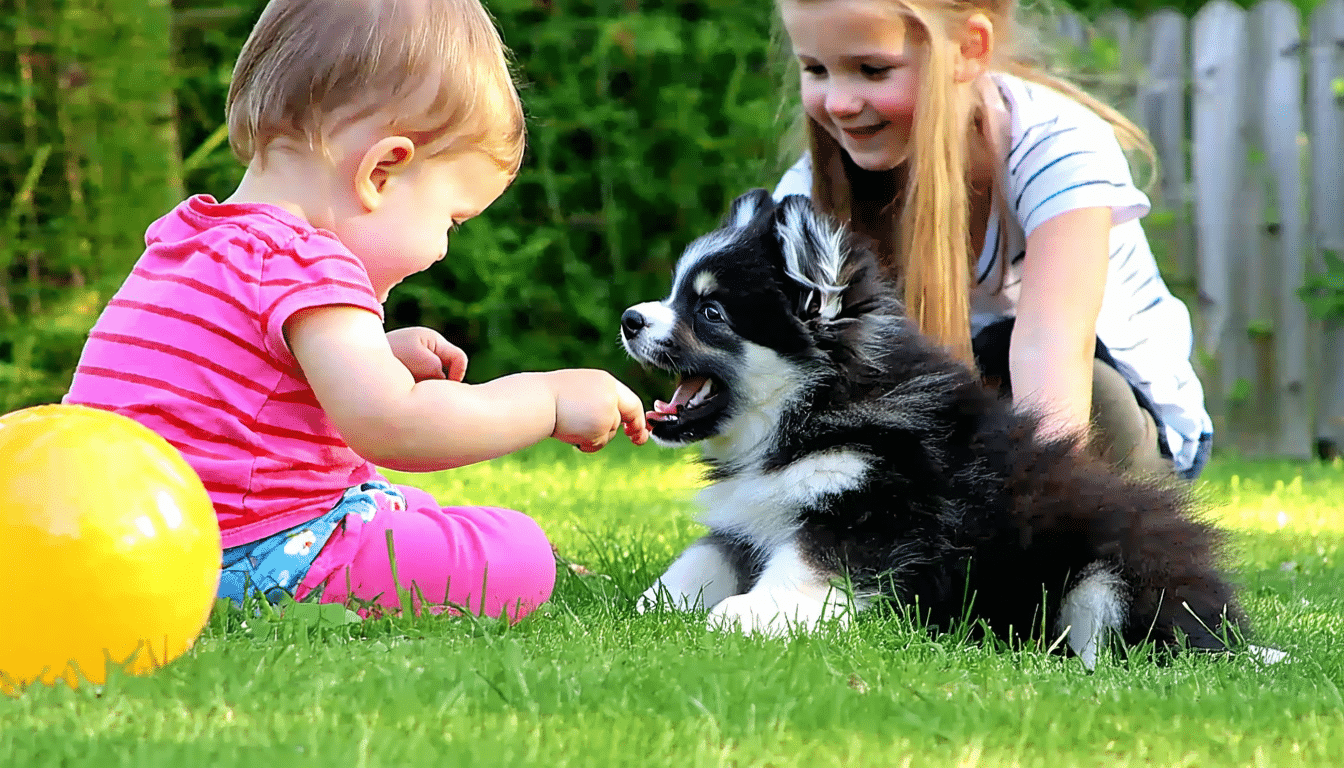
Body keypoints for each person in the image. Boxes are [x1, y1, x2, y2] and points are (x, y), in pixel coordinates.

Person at [63, 0, 650, 621]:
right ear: (382, 172)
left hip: (133, 543)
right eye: (451, 220)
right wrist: (547, 400)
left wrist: (376, 355)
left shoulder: (187, 237)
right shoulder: (307, 260)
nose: (443, 248)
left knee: (402, 504)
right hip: (241, 556)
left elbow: (230, 387)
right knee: (516, 553)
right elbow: (395, 425)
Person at [770, 0, 1212, 479]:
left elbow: (1052, 352)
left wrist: (1046, 506)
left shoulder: (1057, 146)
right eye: (815, 69)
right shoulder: (810, 191)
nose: (839, 103)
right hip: (969, 420)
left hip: (1110, 428)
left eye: (873, 70)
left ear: (968, 48)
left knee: (1005, 355)